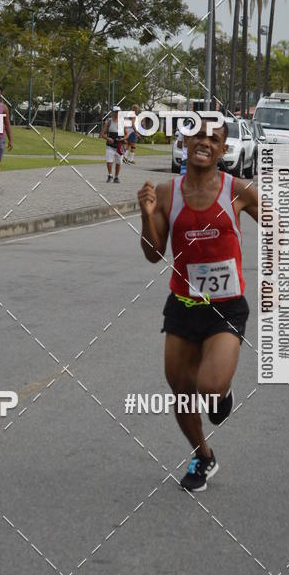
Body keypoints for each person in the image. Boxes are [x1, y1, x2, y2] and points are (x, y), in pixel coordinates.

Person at [138, 116, 258, 492]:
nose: (205, 142)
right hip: (184, 304)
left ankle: (222, 391)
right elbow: (153, 254)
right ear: (185, 144)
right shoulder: (166, 192)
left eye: (214, 139)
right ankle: (203, 456)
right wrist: (146, 215)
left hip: (226, 305)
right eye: (198, 136)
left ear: (223, 150)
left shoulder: (238, 190)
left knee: (208, 387)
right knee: (182, 392)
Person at [101, 105, 127, 183]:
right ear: (112, 113)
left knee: (119, 162)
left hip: (119, 146)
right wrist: (108, 138)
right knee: (109, 161)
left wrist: (123, 139)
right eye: (115, 112)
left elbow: (127, 134)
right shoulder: (108, 122)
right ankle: (110, 175)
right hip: (110, 146)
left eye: (118, 112)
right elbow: (103, 134)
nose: (117, 113)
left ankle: (116, 177)